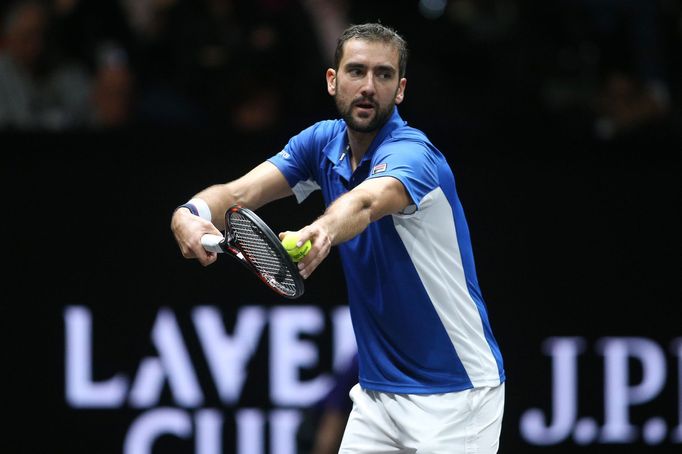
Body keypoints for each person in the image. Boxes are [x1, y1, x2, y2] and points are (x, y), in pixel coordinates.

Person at [171, 23, 505, 453]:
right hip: (378, 395)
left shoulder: (413, 155)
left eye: (383, 75)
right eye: (356, 71)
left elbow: (366, 203)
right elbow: (237, 194)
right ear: (333, 80)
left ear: (400, 90)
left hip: (458, 395)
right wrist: (190, 213)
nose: (368, 86)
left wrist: (322, 230)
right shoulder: (320, 143)